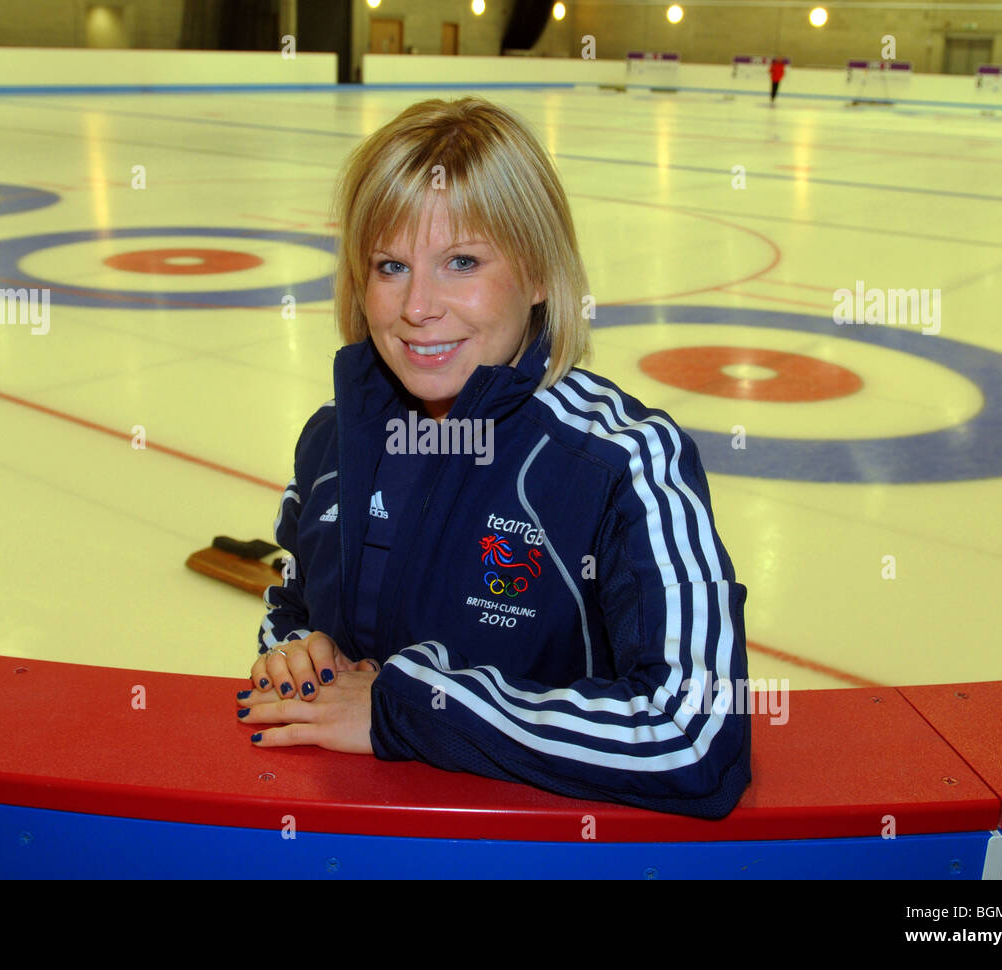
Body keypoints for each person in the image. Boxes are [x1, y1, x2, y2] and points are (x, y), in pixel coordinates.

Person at [237, 96, 751, 819]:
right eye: (390, 265)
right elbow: (288, 605)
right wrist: (296, 651)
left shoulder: (623, 463)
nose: (418, 306)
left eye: (462, 262)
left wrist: (406, 712)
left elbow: (693, 735)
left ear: (539, 274)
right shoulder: (332, 439)